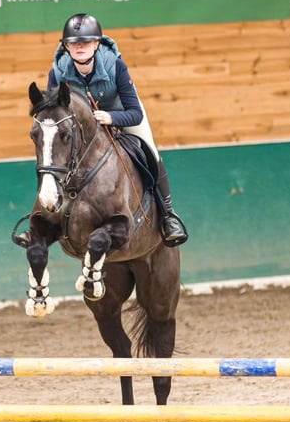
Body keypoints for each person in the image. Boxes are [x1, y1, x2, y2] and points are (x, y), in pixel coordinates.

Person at [47, 13, 188, 247]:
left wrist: (111, 117)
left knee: (150, 151)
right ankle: (52, 217)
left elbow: (135, 112)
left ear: (96, 44)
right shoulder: (58, 72)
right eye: (73, 43)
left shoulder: (115, 66)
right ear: (66, 47)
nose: (79, 46)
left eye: (86, 42)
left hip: (121, 113)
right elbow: (54, 115)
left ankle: (168, 215)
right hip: (82, 129)